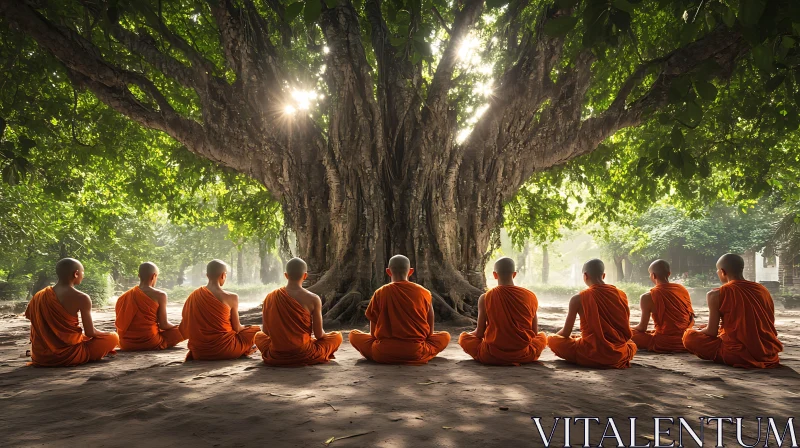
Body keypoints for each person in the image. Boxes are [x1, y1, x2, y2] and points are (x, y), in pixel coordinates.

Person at [683, 253, 783, 368]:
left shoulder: (715, 294)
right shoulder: (762, 290)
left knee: (689, 337)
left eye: (717, 270)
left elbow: (711, 331)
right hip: (767, 352)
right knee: (705, 328)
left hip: (736, 353)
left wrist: (692, 331)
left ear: (722, 272)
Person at [349, 255, 450, 365]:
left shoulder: (380, 292)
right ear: (410, 271)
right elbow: (429, 333)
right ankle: (416, 355)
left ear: (388, 271)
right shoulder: (424, 293)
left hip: (382, 353)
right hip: (416, 352)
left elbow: (373, 335)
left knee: (353, 335)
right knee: (445, 336)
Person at [25, 258, 119, 366]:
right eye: (83, 272)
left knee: (84, 337)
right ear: (76, 274)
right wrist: (106, 334)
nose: (83, 276)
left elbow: (35, 323)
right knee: (113, 337)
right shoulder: (82, 297)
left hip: (41, 356)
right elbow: (90, 332)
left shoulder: (39, 295)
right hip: (69, 355)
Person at [548, 259, 637, 369]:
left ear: (585, 276)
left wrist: (553, 337)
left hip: (590, 354)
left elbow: (566, 332)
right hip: (617, 354)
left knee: (552, 340)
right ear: (603, 275)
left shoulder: (578, 299)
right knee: (631, 344)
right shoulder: (621, 294)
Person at [458, 257, 547, 365]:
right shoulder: (530, 296)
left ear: (495, 275)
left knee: (463, 338)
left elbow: (479, 333)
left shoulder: (485, 297)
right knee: (542, 337)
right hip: (524, 355)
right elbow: (534, 333)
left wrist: (468, 335)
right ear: (514, 274)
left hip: (491, 355)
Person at [255, 258, 342, 366]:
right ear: (305, 276)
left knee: (258, 336)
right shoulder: (313, 299)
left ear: (286, 275)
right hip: (304, 353)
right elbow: (319, 335)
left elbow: (266, 332)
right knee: (337, 336)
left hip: (276, 354)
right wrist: (316, 339)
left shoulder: (270, 297)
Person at [181, 260, 260, 361]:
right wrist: (247, 327)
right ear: (223, 275)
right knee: (256, 330)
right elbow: (237, 328)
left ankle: (242, 349)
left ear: (207, 275)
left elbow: (185, 326)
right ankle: (244, 349)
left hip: (200, 352)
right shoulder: (231, 297)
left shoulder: (193, 296)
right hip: (225, 350)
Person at [115, 262, 185, 351]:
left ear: (139, 276)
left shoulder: (123, 297)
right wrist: (178, 327)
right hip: (149, 342)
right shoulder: (160, 295)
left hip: (125, 344)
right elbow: (164, 325)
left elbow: (119, 324)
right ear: (154, 276)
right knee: (186, 329)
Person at [630, 259, 694, 353]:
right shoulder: (682, 289)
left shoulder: (647, 297)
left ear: (653, 275)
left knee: (626, 333)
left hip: (663, 342)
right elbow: (691, 318)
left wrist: (629, 328)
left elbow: (642, 328)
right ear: (669, 274)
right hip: (686, 339)